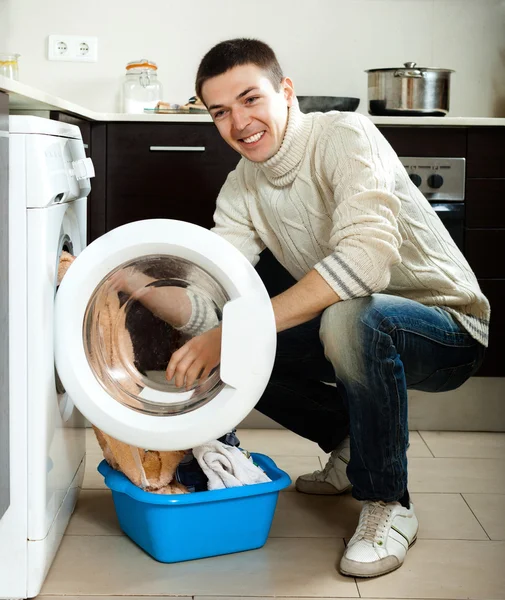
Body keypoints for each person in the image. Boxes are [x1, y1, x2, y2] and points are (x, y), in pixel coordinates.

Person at [163, 38, 489, 578]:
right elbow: (207, 308)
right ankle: (349, 448)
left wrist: (233, 331)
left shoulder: (344, 134)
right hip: (359, 320)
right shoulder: (240, 188)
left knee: (343, 315)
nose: (239, 122)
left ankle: (388, 502)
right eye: (220, 111)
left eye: (250, 99)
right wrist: (124, 276)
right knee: (234, 351)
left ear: (286, 92)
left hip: (450, 327)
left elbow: (365, 262)